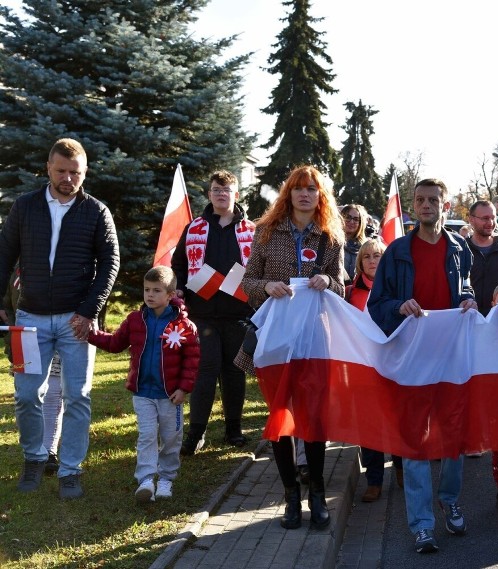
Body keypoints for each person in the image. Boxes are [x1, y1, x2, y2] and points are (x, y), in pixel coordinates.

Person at [0, 138, 120, 500]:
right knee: (24, 394)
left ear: (84, 173)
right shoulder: (25, 207)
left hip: (75, 322)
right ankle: (35, 459)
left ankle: (70, 469)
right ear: (48, 168)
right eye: (61, 171)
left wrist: (88, 311)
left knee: (78, 396)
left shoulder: (97, 211)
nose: (68, 178)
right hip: (29, 318)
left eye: (75, 173)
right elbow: (4, 254)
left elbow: (110, 263)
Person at [368, 178, 477, 554]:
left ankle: (449, 498)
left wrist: (468, 301)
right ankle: (421, 523)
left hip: (451, 358)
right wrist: (398, 307)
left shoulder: (460, 248)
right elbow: (375, 304)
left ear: (446, 205)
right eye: (420, 200)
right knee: (414, 442)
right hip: (412, 360)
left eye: (434, 200)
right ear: (413, 207)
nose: (427, 205)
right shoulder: (397, 251)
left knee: (453, 438)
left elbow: (465, 289)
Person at [237, 165, 345, 531]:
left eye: (311, 189)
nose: (304, 194)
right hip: (276, 341)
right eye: (298, 188)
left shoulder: (330, 237)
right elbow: (247, 281)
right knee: (281, 417)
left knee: (313, 419)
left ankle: (316, 493)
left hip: (314, 340)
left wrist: (327, 279)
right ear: (289, 193)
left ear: (320, 196)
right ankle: (290, 497)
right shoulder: (267, 232)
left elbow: (342, 288)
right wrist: (267, 287)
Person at [88, 267, 200, 503]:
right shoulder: (135, 320)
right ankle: (146, 479)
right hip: (143, 393)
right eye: (147, 290)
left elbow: (192, 361)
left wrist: (183, 388)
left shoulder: (184, 326)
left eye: (156, 291)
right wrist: (92, 335)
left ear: (170, 294)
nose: (150, 295)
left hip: (170, 395)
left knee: (171, 438)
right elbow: (116, 343)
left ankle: (167, 478)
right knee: (147, 435)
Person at [172, 170, 255, 455]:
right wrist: (180, 288)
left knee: (234, 371)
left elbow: (258, 268)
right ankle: (196, 432)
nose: (222, 194)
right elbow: (179, 265)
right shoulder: (194, 227)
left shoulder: (251, 230)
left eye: (227, 189)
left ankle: (233, 429)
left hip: (238, 312)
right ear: (209, 194)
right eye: (216, 190)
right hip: (202, 313)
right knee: (205, 371)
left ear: (236, 194)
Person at [465, 200, 498, 509]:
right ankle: (472, 439)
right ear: (469, 220)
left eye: (492, 218)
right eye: (483, 218)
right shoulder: (459, 249)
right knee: (471, 387)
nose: (489, 222)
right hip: (469, 330)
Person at [344, 238, 403, 501]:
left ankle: (402, 468)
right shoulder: (348, 293)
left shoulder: (396, 290)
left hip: (393, 364)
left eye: (377, 256)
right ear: (359, 262)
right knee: (368, 425)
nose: (372, 261)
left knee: (397, 420)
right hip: (363, 367)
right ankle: (374, 481)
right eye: (367, 256)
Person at [3, 267, 65, 476]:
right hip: (24, 337)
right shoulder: (12, 270)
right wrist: (11, 341)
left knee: (54, 393)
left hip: (57, 333)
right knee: (27, 396)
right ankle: (33, 453)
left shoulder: (58, 263)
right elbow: (6, 308)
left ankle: (49, 450)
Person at [341, 203, 369, 285]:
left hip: (356, 292)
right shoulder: (331, 243)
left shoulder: (366, 247)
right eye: (348, 217)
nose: (351, 222)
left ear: (361, 223)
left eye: (356, 219)